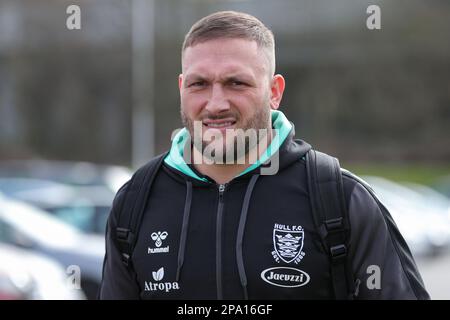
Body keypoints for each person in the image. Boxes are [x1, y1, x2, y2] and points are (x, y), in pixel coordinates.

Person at [99, 11, 430, 300]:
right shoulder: (135, 203)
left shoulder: (341, 201)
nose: (215, 104)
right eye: (199, 84)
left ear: (274, 92)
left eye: (236, 83)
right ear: (182, 88)